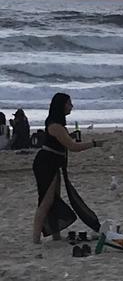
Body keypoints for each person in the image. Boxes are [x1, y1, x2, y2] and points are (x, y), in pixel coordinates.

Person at [32, 93, 105, 244]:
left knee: (53, 200)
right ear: (61, 105)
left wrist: (70, 135)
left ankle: (56, 235)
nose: (71, 106)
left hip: (53, 163)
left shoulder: (58, 125)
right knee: (46, 201)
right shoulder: (56, 126)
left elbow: (60, 140)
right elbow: (73, 147)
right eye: (69, 103)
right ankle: (35, 239)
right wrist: (94, 144)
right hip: (46, 163)